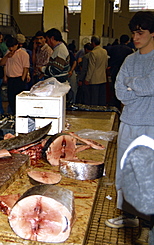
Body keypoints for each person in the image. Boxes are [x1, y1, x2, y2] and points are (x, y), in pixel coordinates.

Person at [105, 11, 154, 245]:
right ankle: (129, 216)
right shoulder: (130, 60)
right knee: (125, 171)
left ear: (152, 33)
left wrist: (133, 86)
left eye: (140, 32)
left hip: (150, 125)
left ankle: (147, 226)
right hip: (128, 122)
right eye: (134, 32)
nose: (135, 37)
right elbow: (119, 91)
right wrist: (136, 90)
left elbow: (150, 84)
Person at [0, 36, 30, 115]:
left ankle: (20, 114)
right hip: (10, 79)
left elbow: (26, 67)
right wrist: (7, 56)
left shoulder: (23, 54)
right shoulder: (7, 53)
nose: (11, 48)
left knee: (18, 99)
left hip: (18, 78)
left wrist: (23, 78)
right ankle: (13, 114)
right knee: (11, 99)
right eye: (9, 47)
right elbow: (2, 64)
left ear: (17, 45)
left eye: (12, 46)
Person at [105, 34, 133, 109]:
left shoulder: (113, 48)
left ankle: (114, 103)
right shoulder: (129, 50)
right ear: (127, 41)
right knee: (123, 87)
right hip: (124, 71)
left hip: (114, 69)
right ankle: (121, 103)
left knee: (114, 86)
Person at [84, 36, 108, 106]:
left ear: (93, 43)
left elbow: (91, 68)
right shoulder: (104, 51)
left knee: (94, 99)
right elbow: (106, 64)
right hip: (103, 78)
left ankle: (94, 113)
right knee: (102, 99)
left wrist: (87, 79)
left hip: (94, 79)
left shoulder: (93, 53)